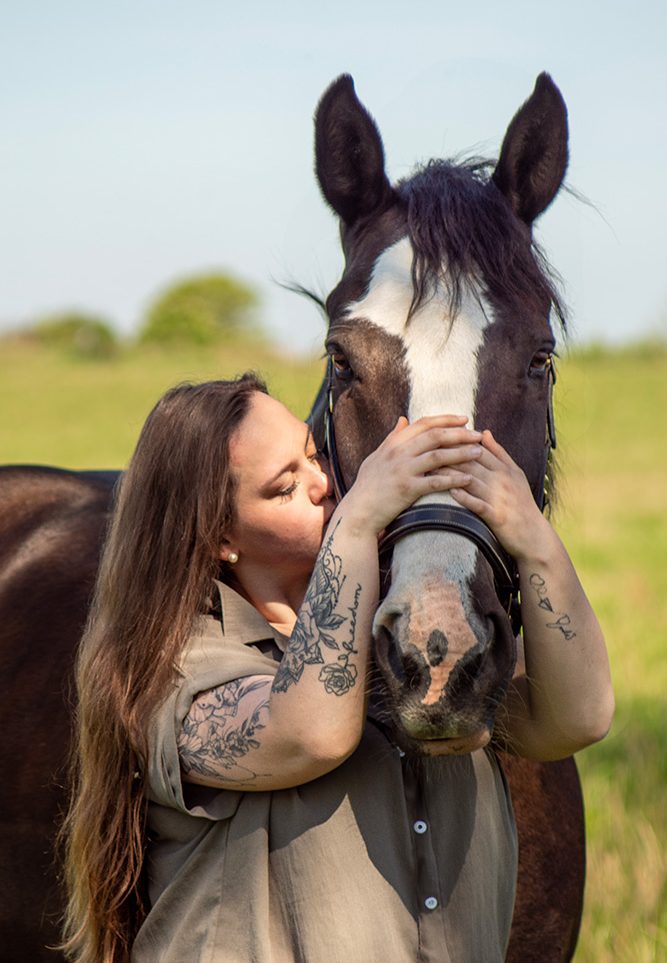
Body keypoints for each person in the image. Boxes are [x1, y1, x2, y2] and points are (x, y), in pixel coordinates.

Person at [62, 374, 613, 963]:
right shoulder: (173, 677)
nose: (325, 484)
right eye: (285, 487)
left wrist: (532, 537)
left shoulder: (404, 637)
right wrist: (358, 522)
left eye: (313, 453)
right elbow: (313, 732)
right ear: (221, 536)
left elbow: (578, 717)